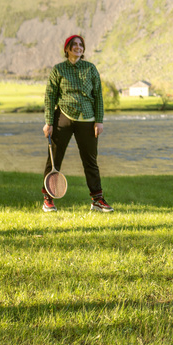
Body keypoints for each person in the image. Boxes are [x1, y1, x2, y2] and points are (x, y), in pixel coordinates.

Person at [41, 34, 113, 213]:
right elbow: (50, 97)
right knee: (54, 159)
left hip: (88, 120)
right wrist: (49, 122)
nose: (78, 47)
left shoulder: (90, 69)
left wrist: (99, 121)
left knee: (90, 161)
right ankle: (48, 198)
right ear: (67, 49)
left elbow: (98, 97)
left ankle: (97, 199)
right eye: (74, 45)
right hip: (63, 117)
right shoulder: (58, 70)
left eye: (81, 45)